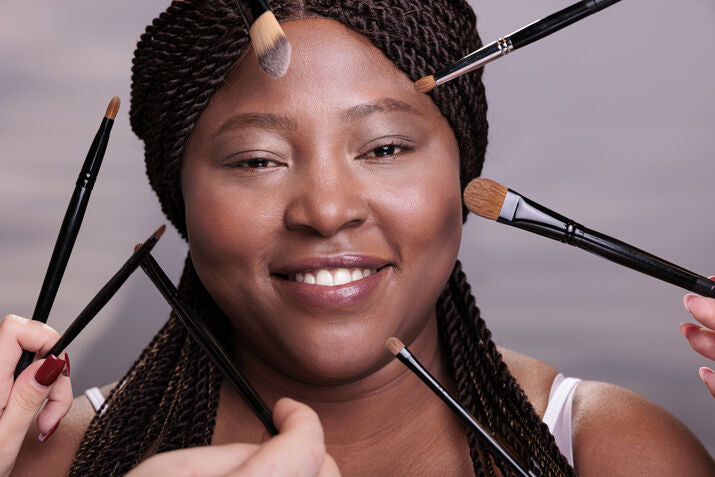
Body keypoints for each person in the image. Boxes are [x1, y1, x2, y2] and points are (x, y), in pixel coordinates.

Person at [1, 1, 714, 475]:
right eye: (256, 160)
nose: (326, 209)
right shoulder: (49, 457)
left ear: (462, 173)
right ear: (178, 193)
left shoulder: (610, 451)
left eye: (383, 149)